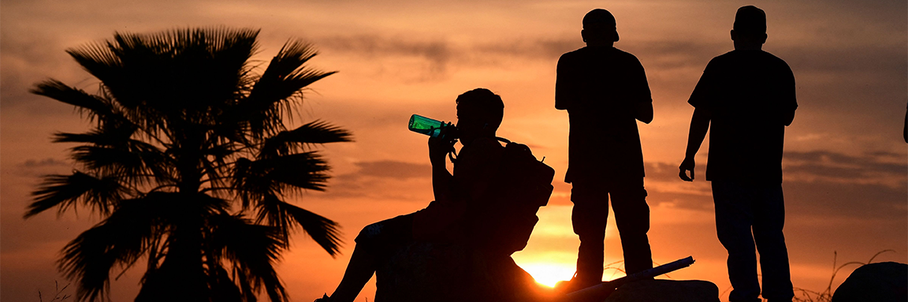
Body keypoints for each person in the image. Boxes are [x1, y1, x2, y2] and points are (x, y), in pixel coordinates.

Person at [318, 88, 547, 302]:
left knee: (370, 234)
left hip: (451, 227)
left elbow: (447, 202)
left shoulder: (478, 149)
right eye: (459, 117)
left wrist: (437, 160)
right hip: (464, 226)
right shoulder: (493, 149)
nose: (459, 125)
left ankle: (340, 299)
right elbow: (460, 193)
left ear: (484, 121)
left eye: (464, 118)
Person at [678, 6, 797, 302]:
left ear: (733, 34)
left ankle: (745, 294)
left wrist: (690, 154)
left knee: (737, 236)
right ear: (764, 36)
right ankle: (779, 294)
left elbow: (701, 114)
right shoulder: (779, 68)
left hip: (727, 168)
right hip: (767, 169)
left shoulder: (719, 66)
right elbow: (787, 117)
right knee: (770, 235)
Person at [554, 8, 654, 291]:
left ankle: (587, 290)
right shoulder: (629, 63)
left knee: (590, 234)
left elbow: (563, 102)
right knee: (633, 233)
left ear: (584, 35)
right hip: (625, 163)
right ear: (615, 34)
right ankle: (643, 291)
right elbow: (646, 114)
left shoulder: (570, 62)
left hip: (587, 163)